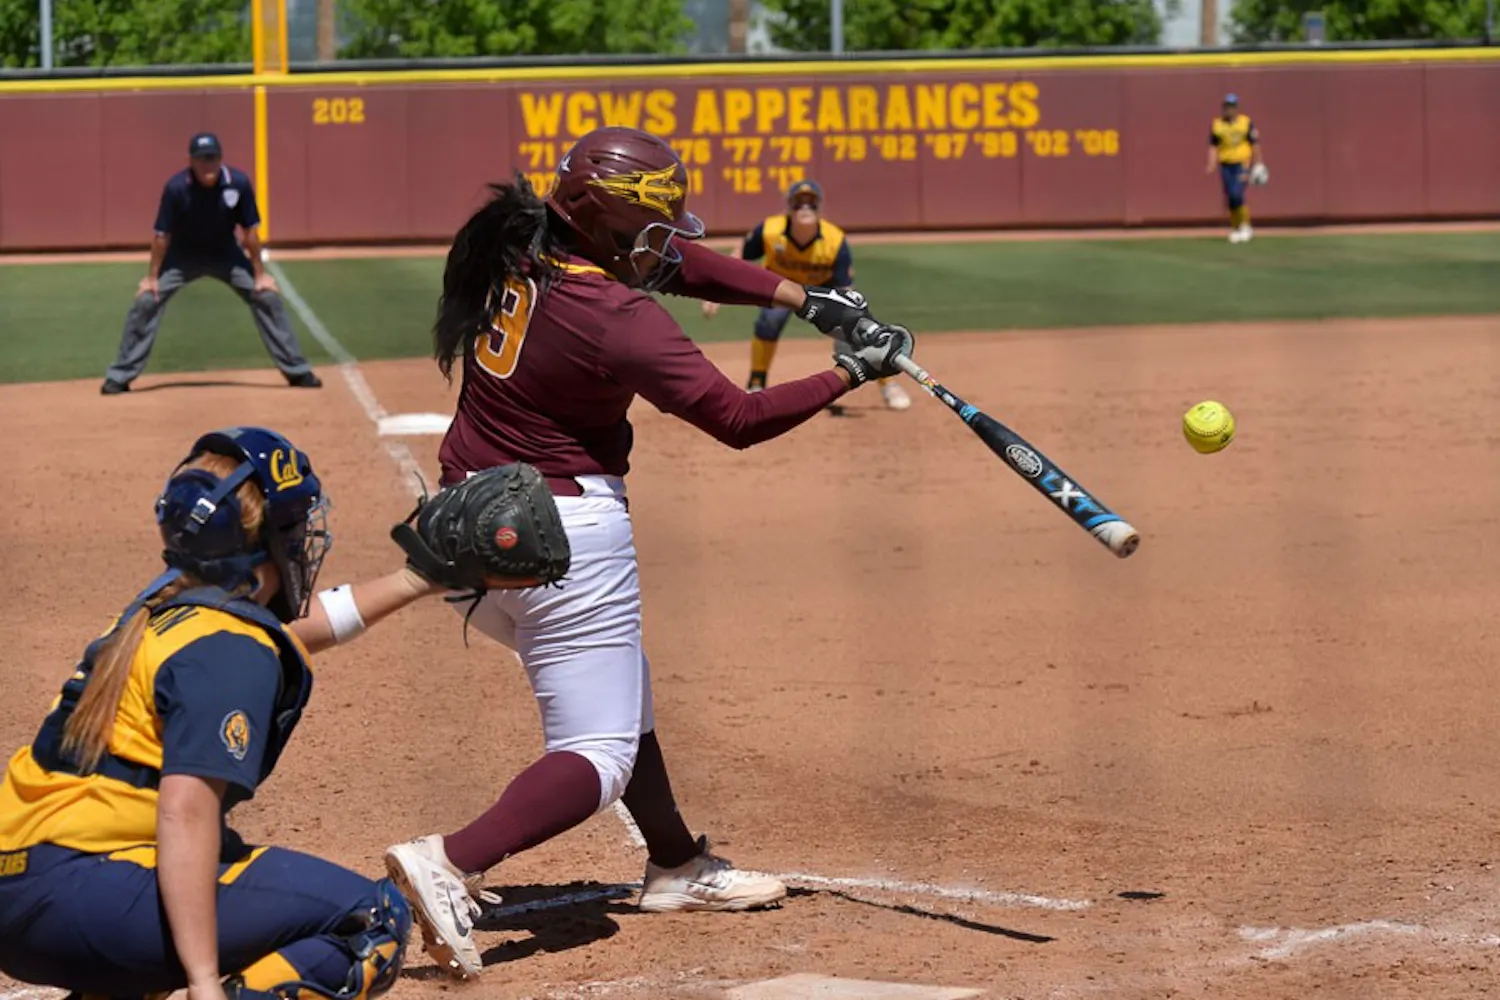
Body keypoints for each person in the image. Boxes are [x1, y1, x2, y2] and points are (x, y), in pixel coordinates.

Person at [381, 125, 913, 980]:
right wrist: (852, 374)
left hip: (463, 527)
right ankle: (452, 860)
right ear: (612, 226)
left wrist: (804, 299)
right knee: (599, 750)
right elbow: (736, 420)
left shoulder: (523, 244)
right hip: (565, 539)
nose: (667, 245)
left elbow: (683, 267)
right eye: (653, 227)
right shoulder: (620, 319)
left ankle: (674, 865)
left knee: (625, 684)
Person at [0, 426, 463, 1000]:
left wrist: (416, 580)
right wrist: (201, 981)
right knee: (369, 920)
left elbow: (290, 630)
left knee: (166, 915)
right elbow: (186, 814)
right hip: (83, 893)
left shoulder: (169, 603)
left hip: (31, 887)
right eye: (294, 528)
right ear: (267, 540)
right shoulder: (229, 650)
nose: (303, 540)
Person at [101, 133, 322, 395]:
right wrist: (152, 278)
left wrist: (260, 275)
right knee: (147, 301)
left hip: (226, 255)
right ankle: (120, 375)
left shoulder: (237, 184)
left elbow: (250, 230)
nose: (208, 164)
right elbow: (162, 236)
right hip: (182, 257)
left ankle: (296, 371)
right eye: (202, 159)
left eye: (213, 158)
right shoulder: (176, 188)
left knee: (267, 298)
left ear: (221, 158)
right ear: (191, 161)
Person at [703, 178, 911, 412]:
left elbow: (845, 288)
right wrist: (713, 291)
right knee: (769, 321)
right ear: (788, 207)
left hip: (823, 292)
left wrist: (851, 320)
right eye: (798, 203)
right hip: (781, 289)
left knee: (859, 330)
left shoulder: (834, 240)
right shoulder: (771, 230)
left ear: (820, 207)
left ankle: (888, 384)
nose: (805, 208)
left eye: (811, 203)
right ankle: (756, 383)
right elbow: (740, 254)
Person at [1206, 94, 1267, 244]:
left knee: (1236, 193)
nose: (1229, 109)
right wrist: (1212, 163)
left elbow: (1255, 143)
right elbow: (1213, 145)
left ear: (1236, 108)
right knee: (1230, 197)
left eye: (1232, 106)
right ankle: (1235, 228)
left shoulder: (1245, 123)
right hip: (1226, 164)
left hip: (1242, 163)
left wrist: (1259, 163)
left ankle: (1245, 225)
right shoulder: (1217, 124)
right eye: (1227, 106)